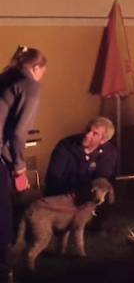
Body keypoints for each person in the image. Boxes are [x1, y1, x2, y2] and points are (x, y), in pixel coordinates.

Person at [0, 46, 46, 273]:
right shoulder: (29, 85)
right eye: (43, 73)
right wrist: (19, 168)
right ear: (36, 68)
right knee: (3, 215)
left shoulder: (5, 79)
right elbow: (18, 134)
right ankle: (4, 267)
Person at [45, 116, 117, 197]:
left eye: (95, 133)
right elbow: (53, 178)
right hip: (61, 195)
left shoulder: (109, 151)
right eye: (88, 130)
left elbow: (103, 178)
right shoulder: (66, 146)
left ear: (103, 140)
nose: (87, 135)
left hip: (89, 198)